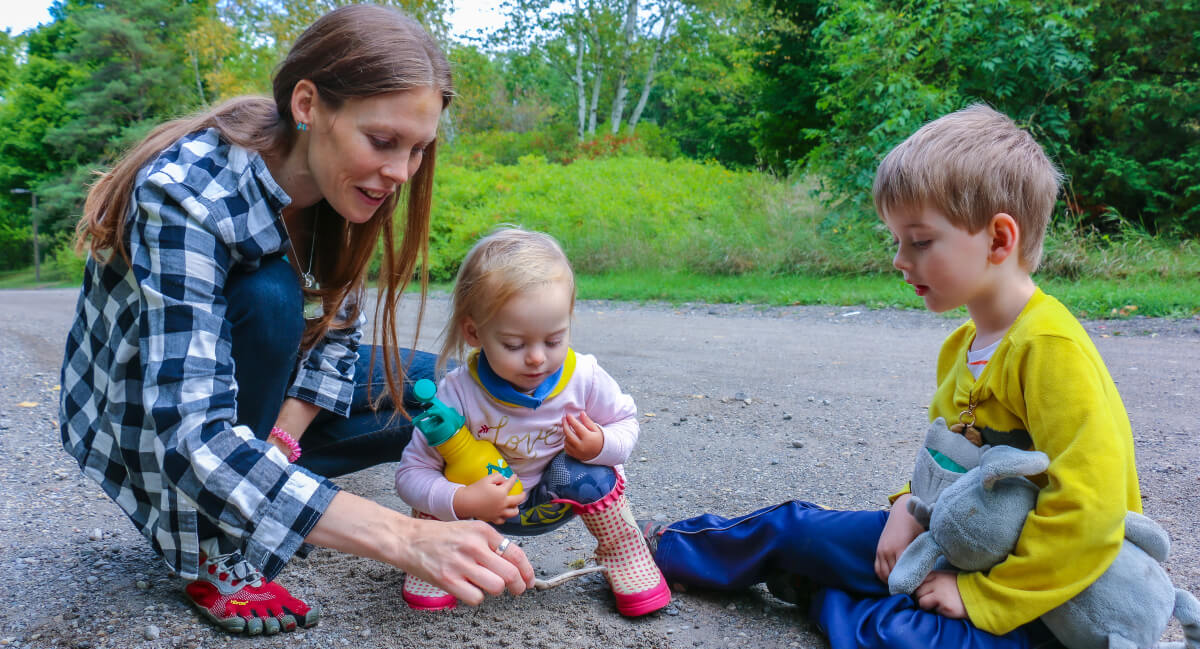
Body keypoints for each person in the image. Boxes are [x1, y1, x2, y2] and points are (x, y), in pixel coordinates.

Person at [58, 4, 533, 637]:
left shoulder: (350, 182)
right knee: (273, 294)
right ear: (307, 104)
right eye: (384, 141)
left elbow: (336, 333)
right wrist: (405, 537)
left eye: (418, 150)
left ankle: (269, 494)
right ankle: (212, 549)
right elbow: (190, 433)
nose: (399, 174)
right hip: (154, 423)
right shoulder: (183, 194)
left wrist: (280, 442)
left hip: (257, 410)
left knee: (446, 391)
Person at [639, 105, 1141, 649]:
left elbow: (1092, 512)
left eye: (920, 241)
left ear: (999, 240)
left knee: (900, 637)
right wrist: (907, 505)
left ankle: (820, 593)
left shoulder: (1050, 350)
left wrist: (981, 598)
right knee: (799, 528)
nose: (900, 260)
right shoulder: (961, 346)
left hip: (1046, 599)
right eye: (896, 241)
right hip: (953, 540)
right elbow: (943, 460)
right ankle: (664, 549)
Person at [394, 227, 671, 616]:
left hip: (555, 498)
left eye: (554, 340)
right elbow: (410, 474)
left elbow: (626, 423)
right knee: (444, 462)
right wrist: (462, 499)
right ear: (474, 332)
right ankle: (432, 550)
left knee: (595, 470)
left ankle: (623, 551)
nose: (537, 358)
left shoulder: (584, 377)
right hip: (479, 504)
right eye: (514, 344)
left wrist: (601, 445)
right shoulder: (458, 392)